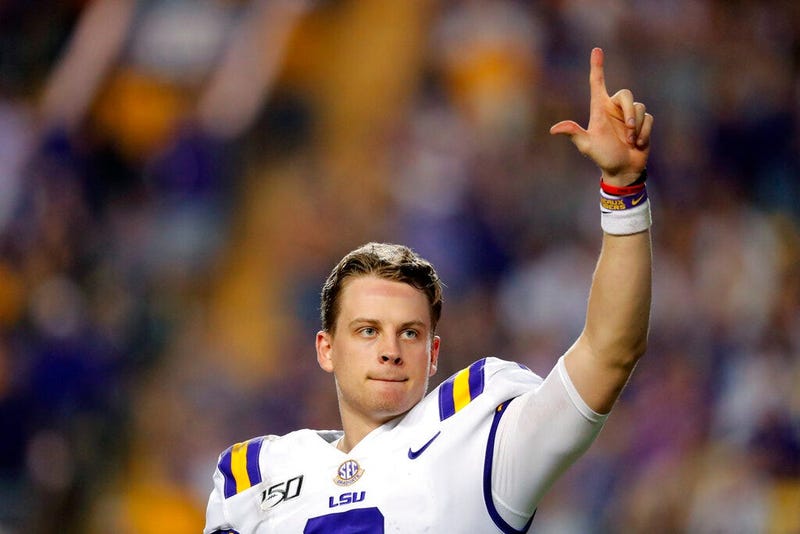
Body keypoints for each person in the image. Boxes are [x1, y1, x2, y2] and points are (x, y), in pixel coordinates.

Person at [203, 47, 653, 533]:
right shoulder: (250, 481)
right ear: (326, 349)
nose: (391, 350)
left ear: (434, 352)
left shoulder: (479, 432)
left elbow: (610, 351)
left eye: (411, 333)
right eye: (367, 331)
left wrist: (623, 186)